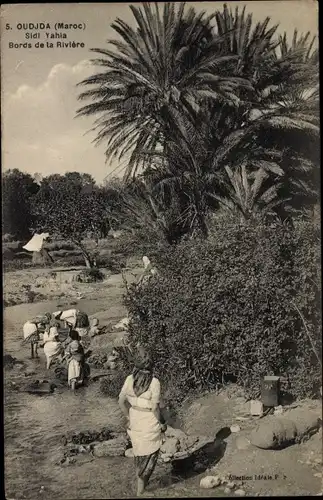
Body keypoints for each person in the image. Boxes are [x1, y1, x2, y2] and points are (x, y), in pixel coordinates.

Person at [118, 347, 167, 496]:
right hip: (148, 420)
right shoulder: (154, 382)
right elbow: (155, 408)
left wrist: (128, 417)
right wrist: (163, 423)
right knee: (151, 454)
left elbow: (120, 401)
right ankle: (141, 491)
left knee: (139, 452)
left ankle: (139, 484)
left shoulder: (129, 379)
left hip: (135, 418)